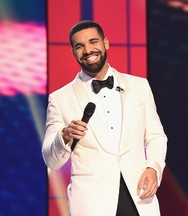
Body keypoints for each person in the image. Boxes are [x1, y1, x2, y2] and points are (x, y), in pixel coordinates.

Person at [42, 20, 168, 216]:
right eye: (79, 46)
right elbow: (51, 159)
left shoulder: (139, 86)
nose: (88, 50)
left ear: (105, 43)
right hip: (92, 205)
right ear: (73, 52)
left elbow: (156, 137)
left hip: (139, 198)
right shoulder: (60, 99)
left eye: (93, 41)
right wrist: (65, 135)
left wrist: (153, 168)